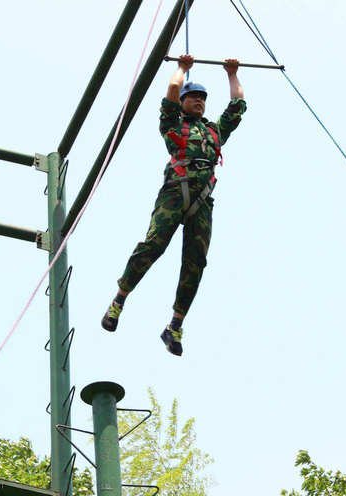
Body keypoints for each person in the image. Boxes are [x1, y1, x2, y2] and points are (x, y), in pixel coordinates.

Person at [101, 54, 247, 356]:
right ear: (182, 102)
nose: (199, 101)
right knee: (153, 246)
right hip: (174, 192)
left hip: (202, 200)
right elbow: (169, 92)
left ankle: (175, 326)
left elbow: (237, 107)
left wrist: (231, 74)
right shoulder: (172, 124)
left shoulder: (213, 132)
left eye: (202, 98)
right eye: (192, 97)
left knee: (196, 262)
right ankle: (119, 300)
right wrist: (182, 68)